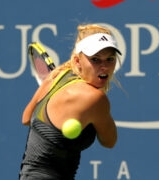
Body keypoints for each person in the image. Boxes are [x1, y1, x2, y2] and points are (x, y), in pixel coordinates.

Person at [19, 24, 121, 180]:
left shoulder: (59, 74)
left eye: (110, 59)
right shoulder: (95, 98)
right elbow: (109, 140)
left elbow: (26, 118)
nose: (104, 67)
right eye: (95, 59)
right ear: (77, 61)